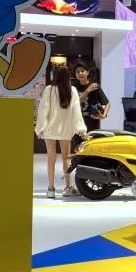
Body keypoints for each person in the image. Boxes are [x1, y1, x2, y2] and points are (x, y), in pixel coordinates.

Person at [35, 66, 87, 198]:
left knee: (51, 158)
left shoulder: (49, 90)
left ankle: (51, 189)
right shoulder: (72, 90)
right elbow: (76, 112)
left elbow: (43, 110)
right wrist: (81, 129)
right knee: (66, 158)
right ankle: (68, 187)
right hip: (65, 129)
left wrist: (39, 128)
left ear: (55, 76)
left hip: (49, 129)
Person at [73, 63, 110, 132]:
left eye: (82, 71)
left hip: (92, 124)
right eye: (77, 72)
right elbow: (76, 103)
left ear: (87, 72)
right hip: (77, 124)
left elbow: (107, 103)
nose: (80, 73)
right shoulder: (73, 88)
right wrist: (88, 90)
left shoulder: (94, 86)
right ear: (75, 74)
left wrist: (103, 115)